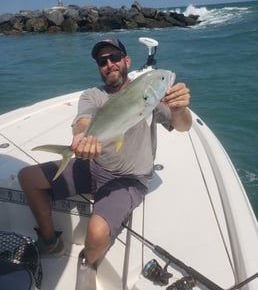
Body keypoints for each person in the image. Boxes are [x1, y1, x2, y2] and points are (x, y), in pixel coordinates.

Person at [18, 38, 192, 290]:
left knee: (97, 233)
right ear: (99, 67)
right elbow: (83, 121)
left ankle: (87, 263)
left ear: (127, 61)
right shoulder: (93, 95)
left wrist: (179, 108)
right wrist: (79, 139)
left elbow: (182, 126)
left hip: (130, 178)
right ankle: (49, 241)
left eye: (115, 58)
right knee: (28, 177)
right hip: (93, 165)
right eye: (103, 61)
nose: (109, 64)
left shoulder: (149, 94)